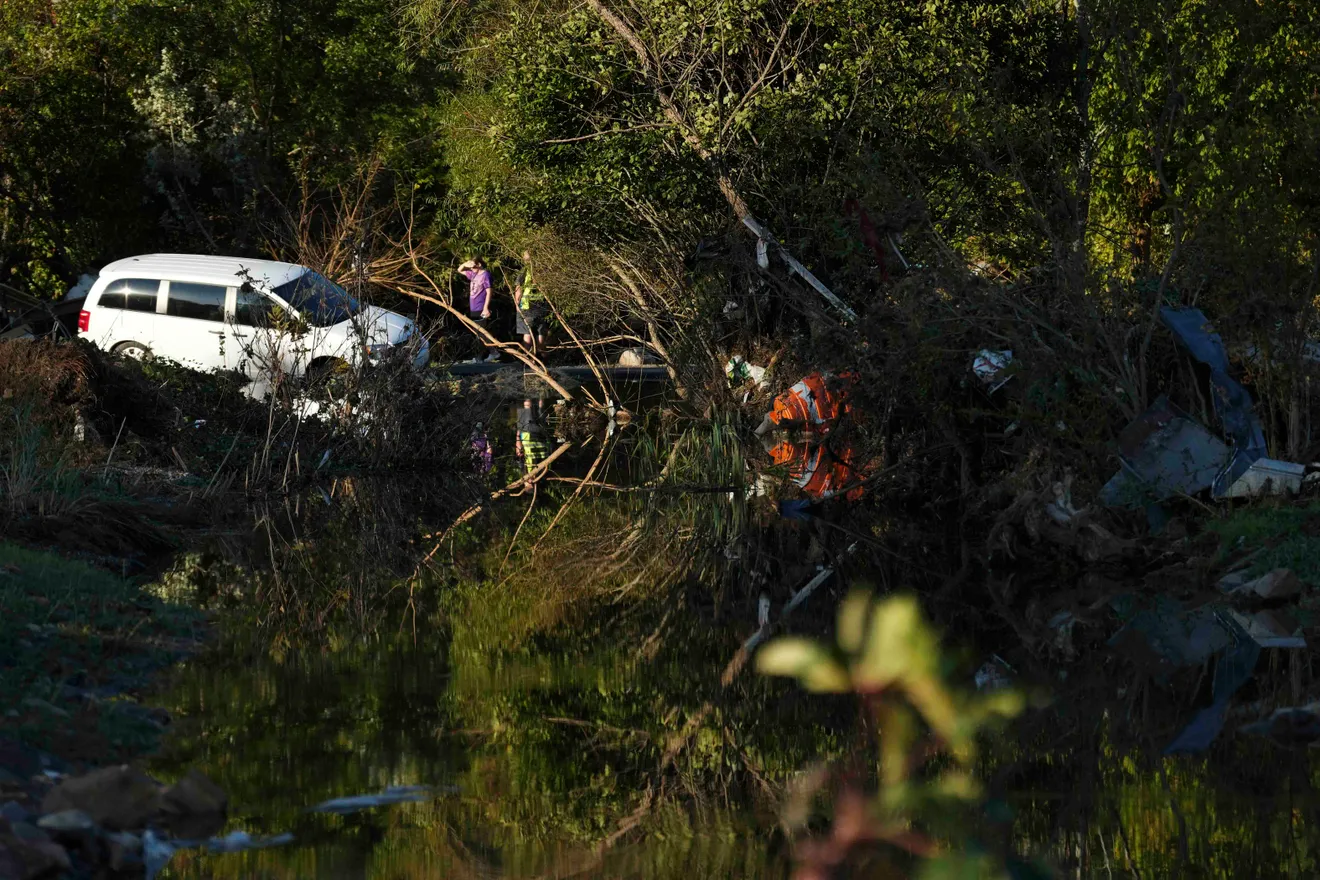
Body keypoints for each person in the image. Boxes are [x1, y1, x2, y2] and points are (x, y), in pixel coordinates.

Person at [457, 257, 499, 362]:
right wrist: (466, 263)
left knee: (480, 333)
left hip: (481, 307)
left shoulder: (485, 275)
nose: (471, 268)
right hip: (474, 307)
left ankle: (482, 356)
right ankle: (493, 352)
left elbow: (489, 292)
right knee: (479, 333)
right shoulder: (474, 274)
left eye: (473, 266)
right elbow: (460, 270)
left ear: (479, 264)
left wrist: (486, 308)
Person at [513, 250, 547, 354]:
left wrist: (517, 305)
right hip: (542, 305)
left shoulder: (524, 271)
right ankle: (540, 357)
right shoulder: (544, 271)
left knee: (527, 334)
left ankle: (527, 358)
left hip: (526, 306)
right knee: (540, 333)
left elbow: (518, 290)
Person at [514, 398, 549, 472]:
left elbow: (519, 453)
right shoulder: (541, 472)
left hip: (531, 434)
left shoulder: (524, 469)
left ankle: (539, 395)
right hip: (536, 435)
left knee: (538, 412)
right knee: (538, 412)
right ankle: (539, 395)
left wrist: (518, 438)